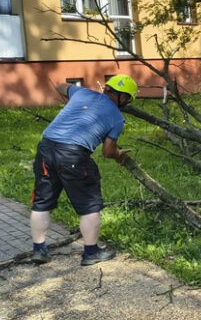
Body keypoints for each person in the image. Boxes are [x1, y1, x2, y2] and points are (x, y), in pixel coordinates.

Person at [30, 75, 137, 265]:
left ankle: (39, 250)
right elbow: (107, 151)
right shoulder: (117, 118)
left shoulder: (81, 92)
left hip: (45, 149)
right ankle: (91, 253)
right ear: (124, 97)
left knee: (42, 201)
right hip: (73, 155)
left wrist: (71, 100)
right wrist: (120, 155)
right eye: (128, 98)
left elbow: (61, 85)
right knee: (90, 206)